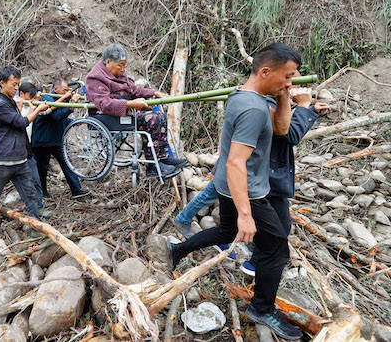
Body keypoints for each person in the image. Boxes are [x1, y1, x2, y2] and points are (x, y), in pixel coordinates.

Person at [167, 43, 304, 340]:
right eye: (287, 77)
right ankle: (263, 308)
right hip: (248, 191)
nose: (291, 83)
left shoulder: (246, 96)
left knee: (225, 231)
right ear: (266, 71)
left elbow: (281, 130)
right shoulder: (254, 109)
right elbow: (235, 162)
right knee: (276, 248)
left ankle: (177, 250)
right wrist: (246, 214)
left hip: (231, 187)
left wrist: (284, 96)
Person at [173, 86, 329, 266]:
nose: (295, 88)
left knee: (226, 227)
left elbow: (286, 126)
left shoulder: (260, 102)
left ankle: (181, 246)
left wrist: (310, 111)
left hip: (239, 173)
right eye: (289, 80)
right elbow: (289, 133)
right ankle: (254, 263)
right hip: (244, 175)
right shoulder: (262, 105)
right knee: (274, 227)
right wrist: (303, 105)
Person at [84, 43, 188, 179]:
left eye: (124, 65)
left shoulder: (120, 74)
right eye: (120, 65)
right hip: (109, 116)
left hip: (127, 111)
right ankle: (152, 166)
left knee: (160, 116)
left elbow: (133, 90)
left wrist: (154, 92)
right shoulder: (95, 78)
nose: (123, 68)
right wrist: (130, 103)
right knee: (152, 119)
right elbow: (105, 104)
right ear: (108, 62)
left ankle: (162, 158)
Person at [0, 66, 49, 225]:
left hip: (20, 159)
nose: (16, 88)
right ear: (2, 83)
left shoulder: (11, 102)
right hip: (3, 161)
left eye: (18, 84)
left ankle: (36, 226)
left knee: (30, 195)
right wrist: (38, 109)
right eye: (13, 84)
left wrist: (30, 109)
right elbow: (21, 122)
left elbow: (19, 122)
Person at [32, 78, 90, 199]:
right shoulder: (47, 98)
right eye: (65, 90)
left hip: (55, 140)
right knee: (41, 169)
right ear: (55, 89)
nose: (67, 93)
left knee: (67, 164)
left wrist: (75, 122)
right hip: (43, 140)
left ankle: (76, 190)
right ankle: (41, 193)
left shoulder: (59, 99)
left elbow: (61, 119)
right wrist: (71, 106)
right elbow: (57, 116)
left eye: (68, 90)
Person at [17, 82, 46, 216]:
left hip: (27, 149)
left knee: (36, 180)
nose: (32, 98)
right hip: (12, 150)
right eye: (30, 96)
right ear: (21, 94)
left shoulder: (31, 105)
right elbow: (21, 123)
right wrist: (33, 108)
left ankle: (39, 207)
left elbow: (47, 110)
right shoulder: (13, 106)